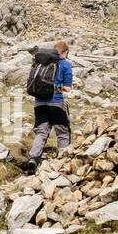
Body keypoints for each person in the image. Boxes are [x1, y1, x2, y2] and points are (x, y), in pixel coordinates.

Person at [27, 39, 74, 170]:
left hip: (39, 103)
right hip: (56, 103)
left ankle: (33, 158)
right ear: (66, 52)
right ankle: (63, 160)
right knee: (63, 131)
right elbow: (68, 88)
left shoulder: (41, 62)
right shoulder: (65, 64)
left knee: (41, 132)